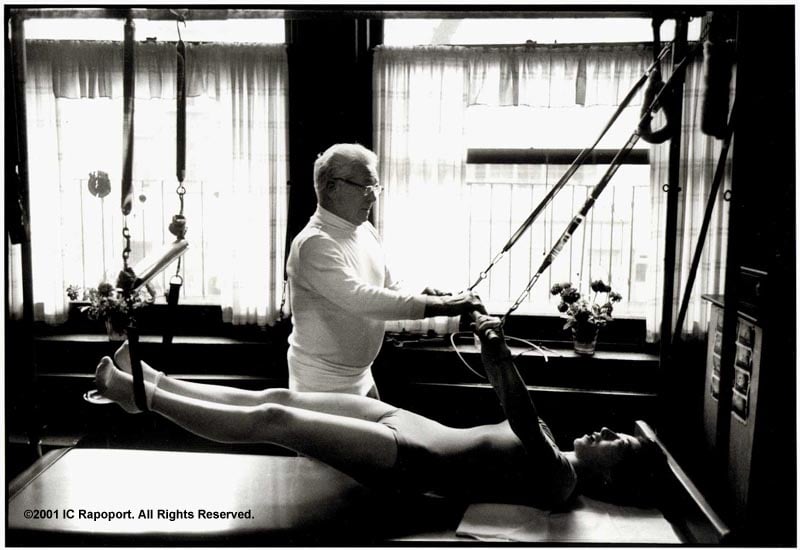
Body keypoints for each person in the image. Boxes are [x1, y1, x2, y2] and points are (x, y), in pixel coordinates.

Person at [95, 314, 664, 510]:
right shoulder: (554, 448)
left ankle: (136, 398)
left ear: (612, 476)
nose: (608, 429)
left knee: (277, 425)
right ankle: (152, 377)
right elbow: (508, 398)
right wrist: (492, 348)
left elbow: (516, 409)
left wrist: (498, 353)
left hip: (409, 457)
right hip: (404, 420)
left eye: (619, 443)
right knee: (278, 398)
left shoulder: (561, 480)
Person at [286, 143, 482, 397]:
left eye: (375, 187)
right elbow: (362, 299)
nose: (373, 196)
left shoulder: (365, 230)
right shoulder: (314, 243)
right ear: (333, 188)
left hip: (362, 374)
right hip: (321, 382)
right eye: (366, 187)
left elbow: (387, 286)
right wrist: (443, 305)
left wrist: (425, 292)